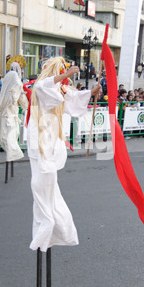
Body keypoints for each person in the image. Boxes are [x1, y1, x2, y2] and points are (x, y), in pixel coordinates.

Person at [27, 56, 100, 252]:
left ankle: (51, 223)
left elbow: (72, 98)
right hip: (40, 139)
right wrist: (66, 74)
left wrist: (91, 92)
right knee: (39, 182)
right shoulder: (42, 86)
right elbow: (44, 86)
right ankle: (46, 223)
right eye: (61, 72)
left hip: (51, 140)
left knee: (48, 184)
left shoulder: (60, 89)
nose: (65, 78)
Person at [0, 68, 29, 162]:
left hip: (10, 113)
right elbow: (19, 99)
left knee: (10, 135)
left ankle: (12, 154)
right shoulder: (15, 80)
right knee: (10, 135)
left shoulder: (9, 78)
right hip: (9, 113)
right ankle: (14, 153)